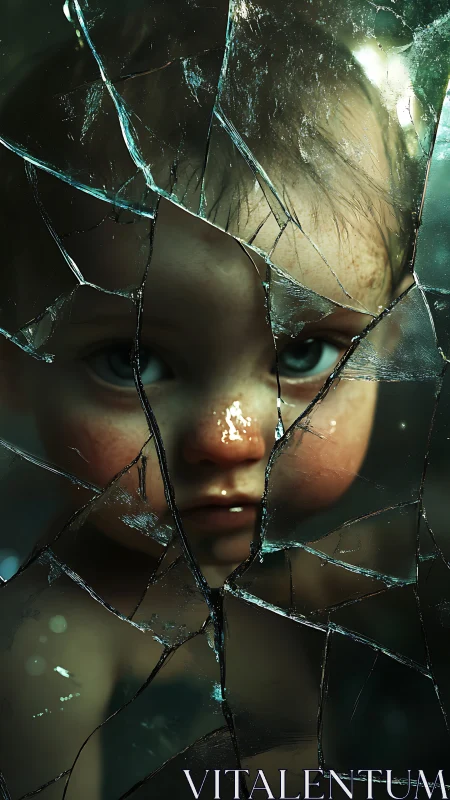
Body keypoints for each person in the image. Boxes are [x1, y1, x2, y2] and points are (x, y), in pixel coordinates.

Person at [0, 3, 421, 798]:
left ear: (390, 341)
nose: (231, 438)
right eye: (130, 360)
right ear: (13, 361)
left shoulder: (273, 582)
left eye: (304, 354)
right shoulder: (48, 655)